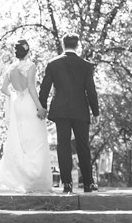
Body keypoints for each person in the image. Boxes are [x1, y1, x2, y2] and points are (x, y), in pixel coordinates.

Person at [39, 34, 100, 194]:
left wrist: (42, 107)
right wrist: (96, 111)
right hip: (80, 110)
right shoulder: (86, 66)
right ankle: (87, 183)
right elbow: (91, 91)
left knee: (63, 145)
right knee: (83, 146)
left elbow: (44, 88)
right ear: (77, 45)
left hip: (61, 110)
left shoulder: (53, 64)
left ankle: (67, 183)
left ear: (63, 44)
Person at [0, 39, 53, 193]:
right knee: (36, 140)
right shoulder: (31, 66)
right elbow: (32, 88)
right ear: (27, 51)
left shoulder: (10, 68)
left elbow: (3, 89)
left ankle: (23, 179)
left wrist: (14, 96)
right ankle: (35, 179)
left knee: (22, 141)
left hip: (18, 106)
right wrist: (40, 107)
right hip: (30, 105)